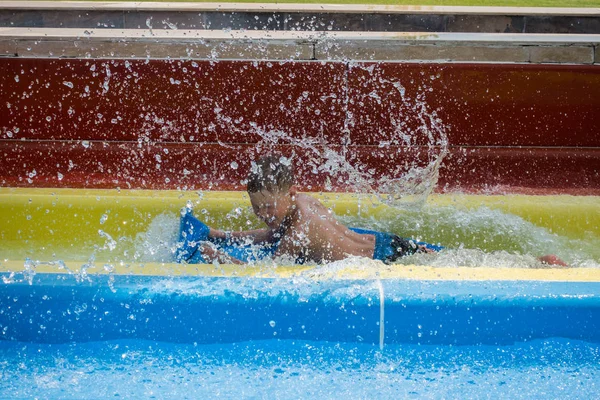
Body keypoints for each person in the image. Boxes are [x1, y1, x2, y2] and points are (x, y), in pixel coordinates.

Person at [176, 154, 567, 267]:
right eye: (256, 208)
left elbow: (265, 274)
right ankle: (535, 262)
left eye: (267, 207)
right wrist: (217, 235)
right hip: (381, 243)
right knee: (457, 258)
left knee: (466, 266)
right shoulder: (298, 205)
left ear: (289, 192)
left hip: (386, 259)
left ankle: (538, 264)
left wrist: (220, 257)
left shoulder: (297, 232)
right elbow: (271, 234)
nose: (262, 214)